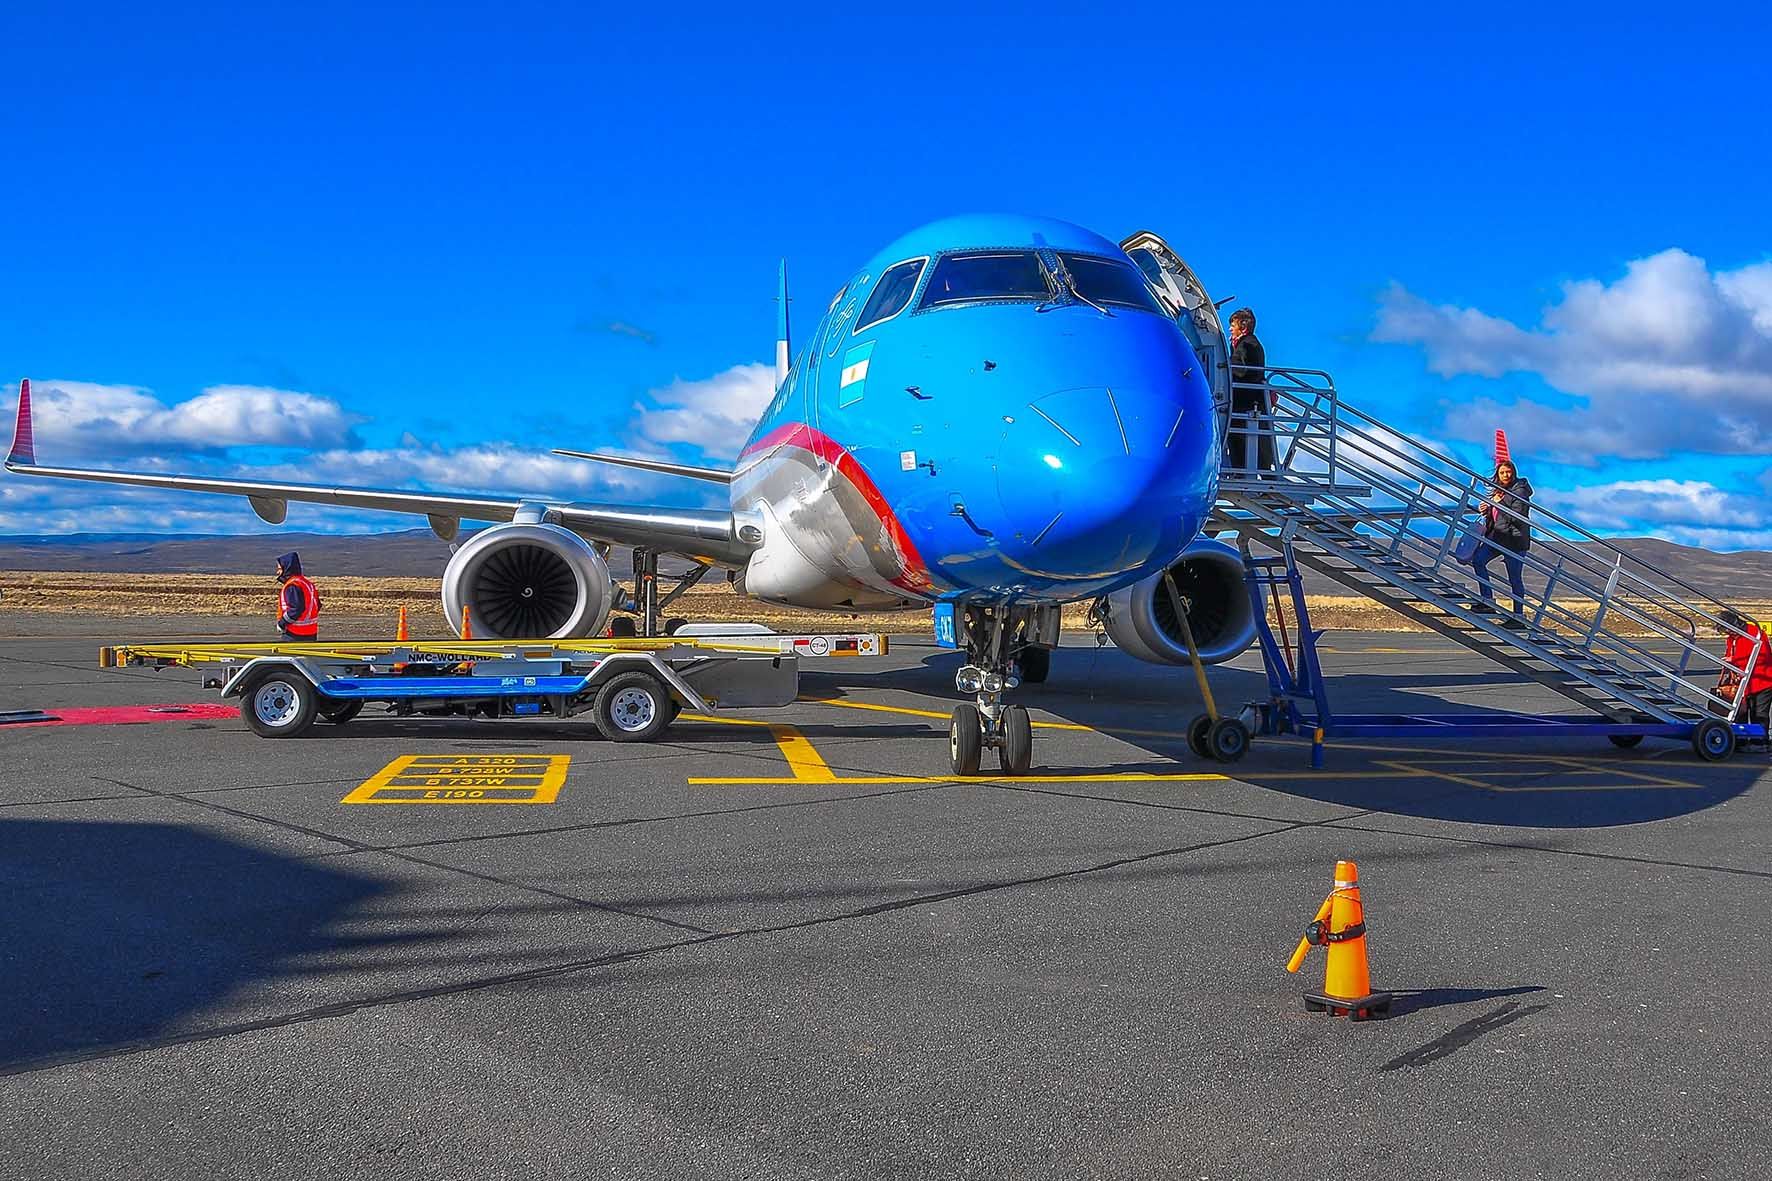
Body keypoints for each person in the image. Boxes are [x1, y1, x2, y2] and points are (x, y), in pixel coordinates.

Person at [1471, 459, 1533, 622]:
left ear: (1514, 472)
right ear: (1498, 474)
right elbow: (1498, 517)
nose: (1506, 475)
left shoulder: (1519, 491)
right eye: (1503, 472)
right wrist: (1487, 509)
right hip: (1497, 537)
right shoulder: (1500, 491)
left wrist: (1499, 505)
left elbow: (1517, 517)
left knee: (1514, 578)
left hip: (1514, 540)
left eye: (1509, 472)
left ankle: (1518, 616)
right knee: (1478, 560)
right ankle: (1487, 599)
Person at [1227, 307, 1274, 472]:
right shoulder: (1248, 344)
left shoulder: (1247, 345)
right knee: (1253, 442)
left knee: (1239, 439)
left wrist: (1224, 367)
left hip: (1245, 403)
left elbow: (1240, 370)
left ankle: (1240, 471)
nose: (1230, 329)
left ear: (1243, 327)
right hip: (1250, 402)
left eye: (1233, 325)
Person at [1719, 611, 1772, 750]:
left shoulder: (1754, 633)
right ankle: (1740, 740)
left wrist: (1734, 660)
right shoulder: (1733, 638)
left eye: (1726, 629)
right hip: (1744, 682)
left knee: (1759, 713)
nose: (1726, 632)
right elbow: (1731, 653)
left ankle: (1760, 743)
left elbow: (1762, 657)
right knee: (1741, 712)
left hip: (1762, 680)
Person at [275, 551, 321, 641]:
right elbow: (317, 605)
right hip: (311, 632)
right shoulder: (307, 584)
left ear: (287, 568)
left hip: (294, 634)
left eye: (280, 569)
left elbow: (296, 609)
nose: (278, 572)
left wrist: (282, 623)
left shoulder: (293, 585)